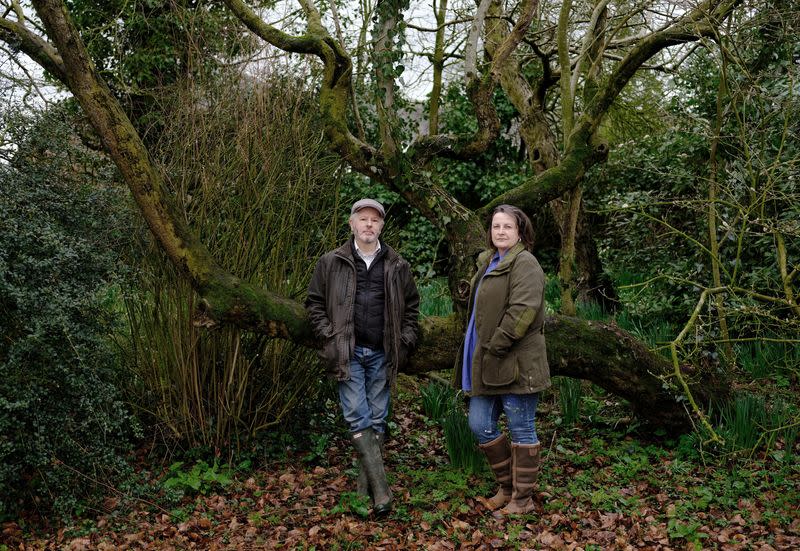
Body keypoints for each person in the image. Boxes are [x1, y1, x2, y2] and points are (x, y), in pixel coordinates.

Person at [306, 198, 420, 516]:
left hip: (383, 353)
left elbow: (412, 308)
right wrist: (329, 337)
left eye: (375, 220)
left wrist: (405, 341)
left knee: (378, 418)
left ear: (382, 226)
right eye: (363, 219)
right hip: (349, 353)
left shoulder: (397, 265)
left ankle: (363, 490)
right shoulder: (331, 262)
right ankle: (382, 491)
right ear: (352, 224)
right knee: (358, 415)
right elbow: (314, 304)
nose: (369, 225)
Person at [454, 204, 550, 515]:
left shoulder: (526, 264)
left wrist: (495, 345)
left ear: (520, 231)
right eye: (496, 227)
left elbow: (522, 312)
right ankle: (507, 488)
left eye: (507, 226)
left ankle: (521, 500)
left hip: (516, 362)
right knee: (479, 423)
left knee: (521, 427)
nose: (501, 232)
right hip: (488, 362)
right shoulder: (489, 262)